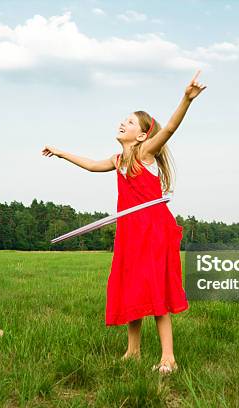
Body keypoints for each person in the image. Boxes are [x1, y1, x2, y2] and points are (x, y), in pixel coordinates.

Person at [42, 70, 207, 374]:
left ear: (142, 135)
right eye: (124, 119)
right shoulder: (118, 161)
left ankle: (168, 357)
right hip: (130, 232)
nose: (123, 123)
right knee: (132, 287)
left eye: (130, 122)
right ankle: (133, 351)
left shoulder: (145, 153)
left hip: (153, 230)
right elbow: (92, 165)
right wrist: (61, 152)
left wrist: (186, 99)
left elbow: (169, 128)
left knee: (154, 289)